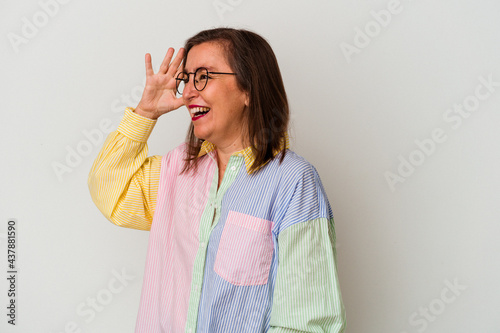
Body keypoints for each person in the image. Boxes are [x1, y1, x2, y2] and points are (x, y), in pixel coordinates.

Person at [88, 28, 346, 333]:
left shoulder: (293, 182)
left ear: (248, 89)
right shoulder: (176, 169)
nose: (187, 93)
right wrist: (145, 113)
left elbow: (305, 322)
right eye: (187, 79)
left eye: (203, 76)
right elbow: (110, 192)